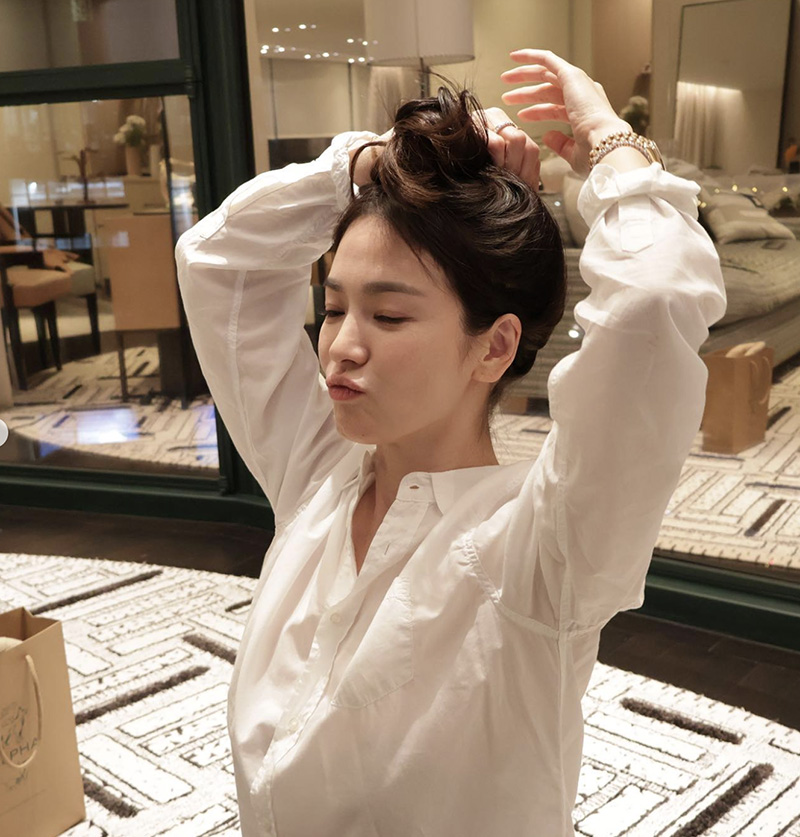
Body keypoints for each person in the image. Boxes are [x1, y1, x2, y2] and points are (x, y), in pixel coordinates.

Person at [175, 48, 726, 837]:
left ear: (494, 347)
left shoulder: (543, 554)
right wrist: (365, 167)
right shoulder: (319, 478)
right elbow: (217, 261)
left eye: (388, 315)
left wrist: (610, 141)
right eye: (334, 308)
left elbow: (653, 304)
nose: (340, 348)